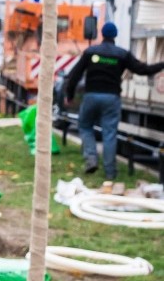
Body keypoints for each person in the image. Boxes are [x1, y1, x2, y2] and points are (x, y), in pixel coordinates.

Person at [64, 21, 164, 179]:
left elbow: (74, 75)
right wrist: (161, 64)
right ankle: (110, 172)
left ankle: (91, 159)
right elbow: (142, 70)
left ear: (102, 34)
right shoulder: (122, 54)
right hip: (111, 98)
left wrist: (69, 96)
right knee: (109, 133)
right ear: (115, 36)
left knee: (84, 125)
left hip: (91, 96)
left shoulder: (91, 52)